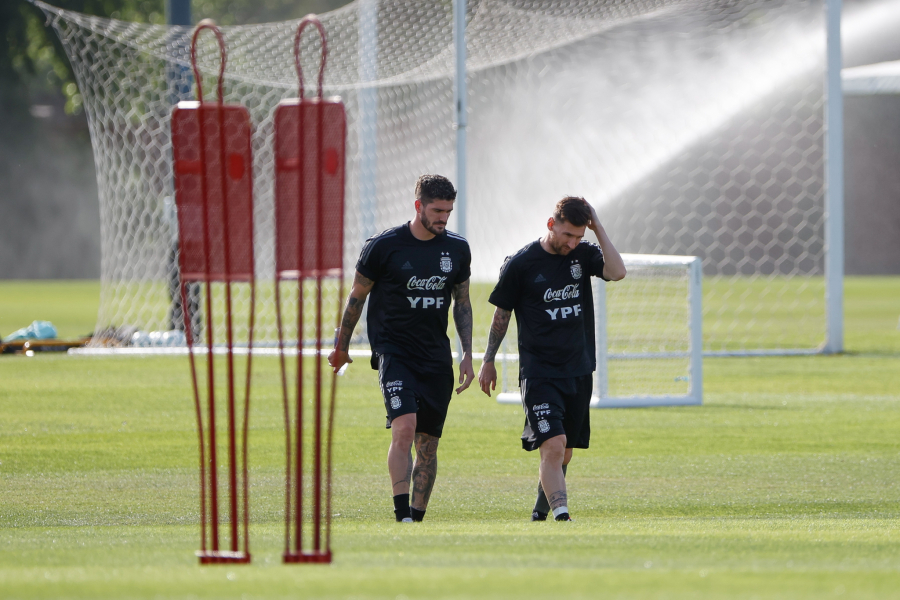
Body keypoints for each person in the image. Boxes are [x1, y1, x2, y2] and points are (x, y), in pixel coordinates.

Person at [328, 174, 475, 523]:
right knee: (404, 428)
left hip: (436, 358)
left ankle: (416, 519)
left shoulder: (457, 249)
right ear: (418, 206)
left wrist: (467, 353)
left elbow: (463, 303)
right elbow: (356, 298)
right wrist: (341, 345)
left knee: (428, 444)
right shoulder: (384, 246)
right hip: (394, 353)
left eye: (448, 212)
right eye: (437, 210)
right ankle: (400, 515)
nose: (443, 218)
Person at [477, 196, 626, 521]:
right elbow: (501, 315)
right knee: (554, 444)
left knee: (566, 451)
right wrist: (488, 360)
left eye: (578, 236)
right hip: (539, 372)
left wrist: (597, 227)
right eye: (567, 235)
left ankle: (540, 512)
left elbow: (617, 272)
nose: (572, 243)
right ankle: (562, 514)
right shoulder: (521, 263)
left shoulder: (583, 255)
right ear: (550, 225)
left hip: (578, 369)